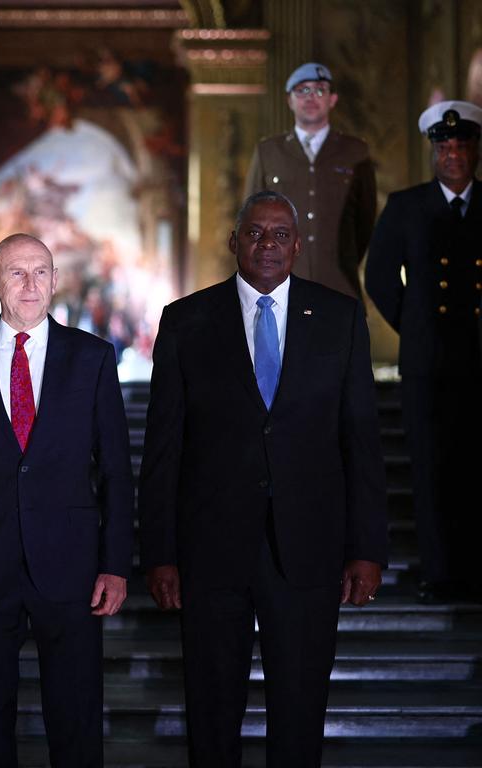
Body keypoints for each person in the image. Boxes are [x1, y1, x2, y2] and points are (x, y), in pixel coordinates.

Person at [137, 191, 389, 767]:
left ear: (297, 245)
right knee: (211, 709)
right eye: (255, 233)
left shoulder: (339, 317)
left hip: (308, 549)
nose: (267, 245)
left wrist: (367, 547)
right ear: (234, 242)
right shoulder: (186, 320)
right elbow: (163, 449)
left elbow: (361, 442)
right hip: (211, 551)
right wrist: (160, 553)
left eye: (279, 235)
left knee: (301, 713)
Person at [0, 233, 134, 767]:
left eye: (41, 271)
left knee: (77, 715)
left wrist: (115, 564)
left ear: (57, 280)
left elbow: (115, 472)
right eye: (16, 272)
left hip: (71, 566)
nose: (31, 283)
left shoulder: (93, 358)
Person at [365, 100, 482, 604]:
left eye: (461, 145)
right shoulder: (407, 205)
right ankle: (438, 573)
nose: (452, 154)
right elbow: (379, 278)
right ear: (434, 152)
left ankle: (476, 571)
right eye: (444, 146)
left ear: (475, 150)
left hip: (479, 357)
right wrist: (414, 327)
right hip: (427, 361)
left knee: (476, 466)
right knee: (430, 469)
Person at [245, 62, 376, 297]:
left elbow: (365, 222)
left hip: (339, 287)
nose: (310, 97)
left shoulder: (356, 152)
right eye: (302, 90)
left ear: (332, 99)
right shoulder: (268, 152)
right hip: (279, 289)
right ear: (290, 100)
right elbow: (251, 221)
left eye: (319, 90)